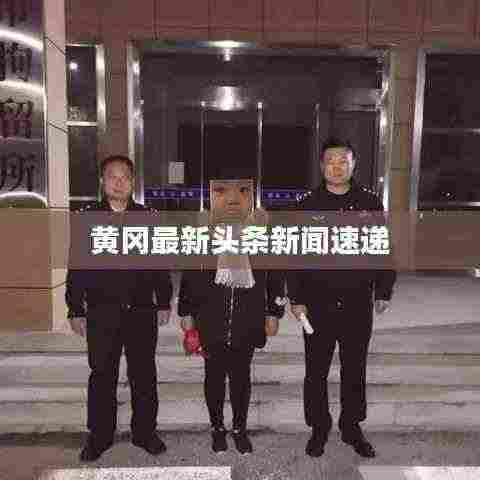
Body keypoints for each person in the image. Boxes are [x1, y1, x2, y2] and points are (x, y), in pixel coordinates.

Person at [288, 138, 396, 458]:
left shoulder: (369, 202)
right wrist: (296, 298)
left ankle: (351, 427)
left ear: (353, 164)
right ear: (322, 165)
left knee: (354, 369)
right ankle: (319, 427)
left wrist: (384, 290)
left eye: (343, 161)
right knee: (316, 371)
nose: (336, 167)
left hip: (357, 302)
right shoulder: (307, 204)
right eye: (330, 161)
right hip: (316, 303)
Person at [66, 155, 172, 462]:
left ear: (132, 182)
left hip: (141, 310)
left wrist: (164, 300)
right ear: (103, 181)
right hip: (103, 311)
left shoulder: (149, 217)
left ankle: (145, 432)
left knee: (144, 374)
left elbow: (160, 264)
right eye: (112, 176)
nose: (119, 182)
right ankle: (99, 436)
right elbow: (77, 266)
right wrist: (75, 308)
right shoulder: (87, 218)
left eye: (125, 176)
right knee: (102, 375)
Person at [178, 169, 285, 454]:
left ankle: (239, 429)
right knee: (213, 377)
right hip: (210, 317)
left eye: (242, 191)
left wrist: (274, 312)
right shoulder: (203, 231)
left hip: (247, 318)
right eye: (223, 191)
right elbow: (189, 273)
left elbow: (276, 275)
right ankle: (217, 428)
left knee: (240, 378)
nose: (233, 198)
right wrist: (185, 311)